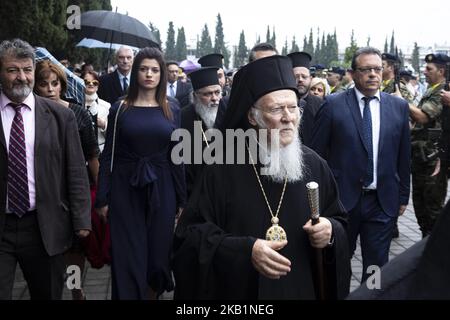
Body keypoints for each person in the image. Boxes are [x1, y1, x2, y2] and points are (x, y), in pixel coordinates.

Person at [173, 55, 350, 300]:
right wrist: (246, 250)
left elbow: (339, 220)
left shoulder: (315, 165)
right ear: (253, 117)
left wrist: (331, 231)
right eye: (277, 109)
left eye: (293, 107)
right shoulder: (222, 167)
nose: (289, 117)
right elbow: (190, 237)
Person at [311, 47, 411, 283]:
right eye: (366, 70)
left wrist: (403, 196)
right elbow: (316, 154)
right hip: (341, 201)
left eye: (377, 69)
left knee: (376, 267)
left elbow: (403, 156)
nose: (373, 75)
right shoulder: (333, 104)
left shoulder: (398, 107)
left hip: (382, 201)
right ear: (353, 74)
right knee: (338, 262)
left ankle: (372, 295)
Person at [0, 39, 91, 300]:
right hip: (2, 227)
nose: (22, 77)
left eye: (27, 69)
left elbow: (76, 170)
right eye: (12, 70)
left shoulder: (61, 117)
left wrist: (82, 219)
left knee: (49, 294)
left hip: (44, 227)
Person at [95, 47, 186, 300]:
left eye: (155, 70)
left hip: (163, 188)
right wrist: (102, 197)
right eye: (144, 69)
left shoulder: (173, 108)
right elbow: (108, 154)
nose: (149, 74)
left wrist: (182, 199)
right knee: (128, 260)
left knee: (158, 260)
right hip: (125, 190)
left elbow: (177, 157)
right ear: (136, 72)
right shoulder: (120, 108)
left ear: (162, 75)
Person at [33, 60, 100, 300]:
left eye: (54, 84)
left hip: (73, 188)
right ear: (35, 87)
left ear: (62, 86)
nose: (50, 89)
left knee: (75, 247)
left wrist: (101, 193)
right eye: (43, 84)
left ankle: (75, 289)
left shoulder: (77, 113)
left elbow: (93, 156)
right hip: (44, 189)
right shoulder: (30, 116)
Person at [347, 199, 450, 299]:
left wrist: (403, 196)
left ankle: (372, 292)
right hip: (346, 200)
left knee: (375, 261)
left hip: (381, 201)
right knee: (342, 259)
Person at [408, 53, 449, 238]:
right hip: (421, 157)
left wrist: (402, 102)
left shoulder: (443, 91)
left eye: (429, 69)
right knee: (420, 203)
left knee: (432, 206)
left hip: (432, 159)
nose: (424, 72)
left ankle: (435, 250)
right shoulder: (431, 90)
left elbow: (423, 117)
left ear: (441, 71)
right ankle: (425, 243)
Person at [180, 67, 226, 197]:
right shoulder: (183, 117)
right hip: (194, 190)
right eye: (207, 94)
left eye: (217, 92)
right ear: (195, 96)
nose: (214, 98)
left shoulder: (227, 112)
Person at [287, 51, 323, 147]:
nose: (300, 80)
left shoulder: (320, 104)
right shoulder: (282, 103)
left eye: (304, 76)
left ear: (311, 78)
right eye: (296, 76)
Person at [81, 70, 111, 153]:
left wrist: (104, 125)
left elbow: (113, 134)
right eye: (86, 82)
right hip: (79, 152)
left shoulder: (106, 106)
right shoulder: (75, 105)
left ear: (98, 86)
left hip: (100, 152)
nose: (91, 84)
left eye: (94, 82)